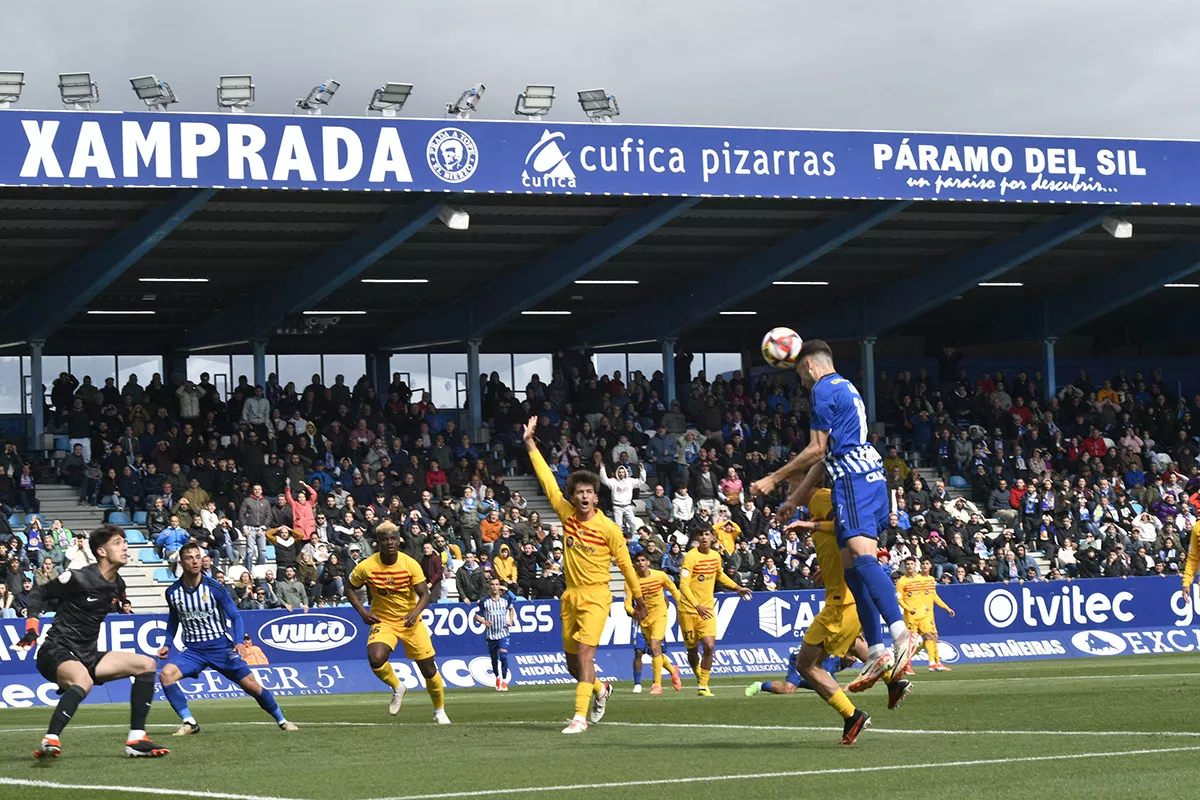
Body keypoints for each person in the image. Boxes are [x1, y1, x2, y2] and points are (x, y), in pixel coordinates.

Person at [751, 339, 916, 689]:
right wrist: (794, 498)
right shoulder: (846, 387)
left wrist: (773, 479)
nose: (801, 382)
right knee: (851, 568)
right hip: (866, 476)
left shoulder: (822, 389)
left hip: (853, 482)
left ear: (809, 365)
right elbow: (825, 458)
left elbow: (816, 450)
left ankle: (901, 633)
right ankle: (876, 651)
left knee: (862, 558)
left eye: (799, 374)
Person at [525, 414, 646, 734]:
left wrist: (639, 597)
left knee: (585, 654)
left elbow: (626, 565)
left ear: (595, 495)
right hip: (570, 596)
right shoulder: (566, 515)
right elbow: (547, 481)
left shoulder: (608, 528)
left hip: (597, 597)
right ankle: (601, 689)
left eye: (588, 492)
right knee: (573, 665)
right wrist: (530, 444)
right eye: (578, 492)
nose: (583, 496)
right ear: (573, 495)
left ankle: (579, 717)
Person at [773, 470, 911, 743]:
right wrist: (828, 568)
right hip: (848, 599)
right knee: (852, 644)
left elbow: (847, 527)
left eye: (792, 483)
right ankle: (893, 682)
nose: (789, 490)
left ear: (806, 482)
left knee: (806, 665)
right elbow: (840, 538)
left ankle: (852, 716)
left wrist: (811, 526)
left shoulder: (822, 498)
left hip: (840, 603)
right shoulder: (820, 502)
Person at [12, 524, 169, 758]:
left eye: (125, 542)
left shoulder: (118, 584)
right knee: (83, 680)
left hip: (86, 654)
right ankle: (50, 739)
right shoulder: (79, 578)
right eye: (118, 543)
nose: (125, 547)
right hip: (56, 650)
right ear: (101, 551)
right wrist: (32, 628)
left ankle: (136, 738)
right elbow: (38, 593)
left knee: (147, 664)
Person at [157, 542, 298, 735]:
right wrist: (167, 644)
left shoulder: (214, 588)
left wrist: (239, 641)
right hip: (193, 652)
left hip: (221, 648)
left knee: (252, 687)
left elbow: (235, 616)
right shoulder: (173, 592)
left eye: (198, 557)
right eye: (190, 558)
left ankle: (282, 720)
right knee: (166, 675)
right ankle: (189, 722)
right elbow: (174, 619)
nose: (195, 561)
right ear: (181, 563)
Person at [345, 521, 450, 724]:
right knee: (376, 658)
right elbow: (349, 588)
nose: (390, 542)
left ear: (399, 540)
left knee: (429, 670)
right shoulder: (367, 566)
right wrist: (363, 612)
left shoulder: (410, 564)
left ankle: (439, 710)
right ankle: (397, 686)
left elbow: (424, 594)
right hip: (383, 621)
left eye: (393, 538)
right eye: (385, 539)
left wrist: (415, 613)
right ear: (378, 542)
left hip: (410, 621)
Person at [677, 527, 753, 696]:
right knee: (692, 650)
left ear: (712, 537)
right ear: (697, 538)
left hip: (707, 609)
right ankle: (699, 675)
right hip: (688, 610)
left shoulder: (715, 556)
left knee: (709, 646)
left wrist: (737, 587)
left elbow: (720, 575)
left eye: (707, 534)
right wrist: (697, 605)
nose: (704, 537)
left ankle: (703, 685)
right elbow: (683, 585)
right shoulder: (690, 557)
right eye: (701, 535)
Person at [624, 550, 683, 695]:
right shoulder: (631, 582)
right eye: (638, 561)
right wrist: (634, 612)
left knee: (655, 645)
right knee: (654, 651)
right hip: (644, 619)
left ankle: (657, 685)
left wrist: (682, 605)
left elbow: (674, 590)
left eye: (643, 560)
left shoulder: (660, 576)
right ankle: (672, 670)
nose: (641, 563)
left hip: (660, 615)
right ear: (634, 564)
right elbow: (627, 604)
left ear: (648, 562)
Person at [896, 556, 956, 672]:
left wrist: (946, 607)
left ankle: (934, 663)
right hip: (912, 615)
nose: (910, 566)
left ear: (915, 565)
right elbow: (899, 599)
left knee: (932, 637)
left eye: (911, 564)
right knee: (912, 641)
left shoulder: (924, 579)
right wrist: (909, 608)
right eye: (907, 564)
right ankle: (907, 663)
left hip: (924, 614)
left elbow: (931, 595)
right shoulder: (903, 581)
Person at [474, 577, 517, 691]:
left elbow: (512, 608)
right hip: (491, 635)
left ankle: (504, 680)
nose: (494, 586)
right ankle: (497, 677)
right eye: (492, 584)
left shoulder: (505, 600)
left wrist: (510, 620)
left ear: (499, 586)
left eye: (496, 584)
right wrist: (484, 622)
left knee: (503, 655)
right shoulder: (484, 601)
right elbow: (477, 615)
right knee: (494, 658)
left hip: (503, 633)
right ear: (490, 586)